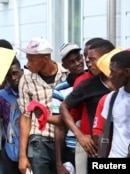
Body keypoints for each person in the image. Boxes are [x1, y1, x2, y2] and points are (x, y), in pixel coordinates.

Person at [60, 39, 115, 173]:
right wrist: (79, 135)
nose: (87, 62)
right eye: (86, 58)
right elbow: (63, 107)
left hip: (120, 149)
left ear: (106, 58)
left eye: (92, 59)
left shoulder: (123, 82)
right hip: (96, 150)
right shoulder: (88, 84)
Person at [18, 37, 68, 174]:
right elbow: (25, 116)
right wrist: (22, 155)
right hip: (39, 137)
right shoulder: (26, 80)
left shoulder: (66, 74)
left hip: (64, 139)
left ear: (45, 59)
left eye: (31, 60)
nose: (28, 64)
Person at [0, 58, 23, 174]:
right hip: (11, 149)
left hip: (32, 148)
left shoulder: (32, 90)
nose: (13, 78)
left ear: (22, 71)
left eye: (15, 73)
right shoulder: (1, 96)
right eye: (9, 75)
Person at [52, 43, 85, 173]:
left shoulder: (94, 80)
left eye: (78, 58)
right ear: (64, 66)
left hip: (94, 146)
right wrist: (59, 163)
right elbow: (59, 126)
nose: (77, 63)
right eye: (71, 62)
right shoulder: (60, 90)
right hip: (71, 147)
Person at [100, 50, 130, 157]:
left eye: (113, 72)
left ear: (127, 72)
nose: (110, 76)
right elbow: (105, 132)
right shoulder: (112, 98)